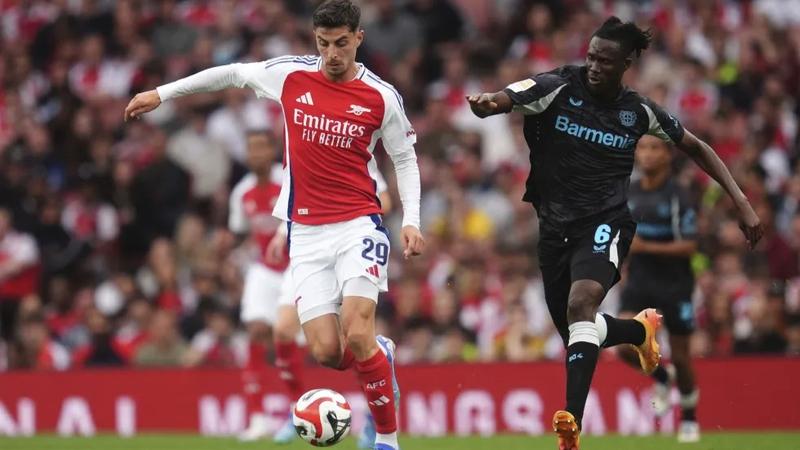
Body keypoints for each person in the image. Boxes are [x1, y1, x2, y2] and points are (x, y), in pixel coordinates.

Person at [124, 2, 424, 449]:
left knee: (357, 329)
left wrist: (413, 220)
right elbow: (230, 74)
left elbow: (403, 158)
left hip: (358, 224)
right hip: (304, 234)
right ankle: (381, 356)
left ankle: (387, 440)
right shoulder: (291, 74)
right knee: (327, 351)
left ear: (358, 38)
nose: (332, 54)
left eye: (341, 43)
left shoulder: (381, 96)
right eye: (324, 43)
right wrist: (162, 94)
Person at [467, 17, 762, 450]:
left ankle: (571, 424)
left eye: (605, 61)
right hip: (553, 228)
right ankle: (637, 333)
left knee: (581, 303)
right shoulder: (558, 87)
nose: (593, 66)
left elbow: (696, 147)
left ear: (626, 63)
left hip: (605, 223)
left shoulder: (638, 111)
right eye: (590, 56)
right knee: (576, 331)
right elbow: (510, 95)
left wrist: (742, 202)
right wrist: (488, 103)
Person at [618, 135, 700, 443]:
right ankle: (662, 378)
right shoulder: (630, 192)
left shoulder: (679, 195)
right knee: (624, 344)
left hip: (675, 284)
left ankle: (690, 419)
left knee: (681, 356)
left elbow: (690, 245)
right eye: (642, 147)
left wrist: (645, 247)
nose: (647, 154)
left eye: (655, 148)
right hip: (639, 281)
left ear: (667, 154)